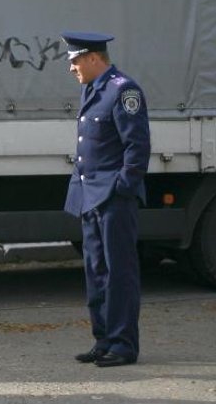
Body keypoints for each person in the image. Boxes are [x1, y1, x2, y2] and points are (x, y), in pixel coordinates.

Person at [62, 31, 150, 368]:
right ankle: (104, 340)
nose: (71, 68)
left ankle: (124, 345)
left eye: (74, 61)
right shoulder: (93, 88)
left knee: (119, 272)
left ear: (93, 58)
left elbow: (137, 147)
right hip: (89, 195)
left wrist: (122, 189)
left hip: (113, 197)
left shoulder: (122, 90)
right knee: (95, 270)